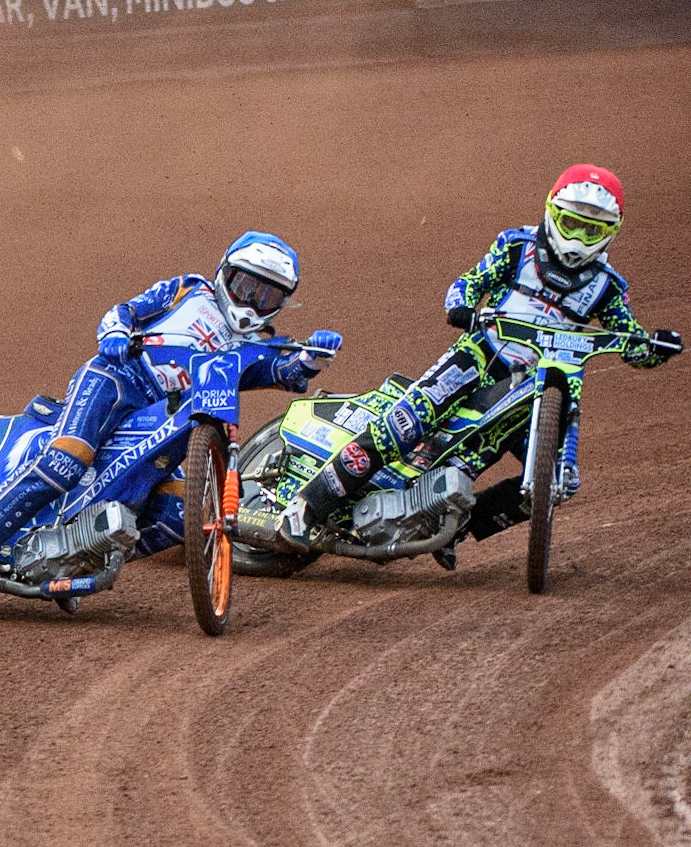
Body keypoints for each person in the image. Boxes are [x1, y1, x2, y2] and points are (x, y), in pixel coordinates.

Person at [276, 165, 682, 561]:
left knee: (554, 481)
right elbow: (469, 282)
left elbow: (630, 342)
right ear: (552, 213)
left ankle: (456, 531)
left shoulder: (607, 287)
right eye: (572, 223)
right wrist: (462, 306)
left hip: (535, 387)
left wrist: (654, 347)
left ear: (611, 231)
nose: (578, 238)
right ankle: (306, 507)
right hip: (479, 355)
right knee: (401, 426)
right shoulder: (518, 246)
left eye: (591, 230)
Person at [0, 231, 345, 602]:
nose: (252, 302)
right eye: (246, 286)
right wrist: (113, 336)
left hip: (161, 415)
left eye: (268, 296)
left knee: (181, 510)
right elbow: (125, 312)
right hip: (118, 378)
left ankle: (73, 559)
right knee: (69, 457)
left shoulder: (257, 344)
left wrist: (313, 359)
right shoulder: (189, 290)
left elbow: (281, 373)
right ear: (225, 273)